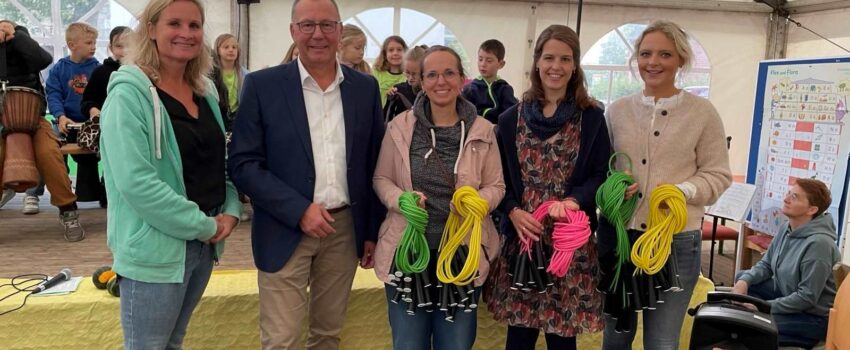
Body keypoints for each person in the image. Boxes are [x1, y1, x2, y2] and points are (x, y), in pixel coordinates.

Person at [227, 0, 385, 348]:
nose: (318, 34)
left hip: (343, 230)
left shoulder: (364, 89)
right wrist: (298, 210)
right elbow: (242, 163)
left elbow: (374, 163)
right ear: (293, 31)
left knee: (327, 336)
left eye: (327, 25)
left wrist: (371, 230)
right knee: (281, 340)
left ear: (340, 31)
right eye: (308, 25)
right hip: (284, 227)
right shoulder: (262, 86)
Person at [99, 0, 242, 348]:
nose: (186, 33)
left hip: (203, 246)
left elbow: (219, 161)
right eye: (174, 23)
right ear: (150, 29)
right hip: (156, 249)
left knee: (173, 342)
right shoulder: (128, 96)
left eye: (195, 26)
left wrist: (231, 210)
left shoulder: (205, 92)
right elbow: (136, 182)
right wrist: (203, 225)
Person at [599, 20, 732, 349]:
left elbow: (718, 174)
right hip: (621, 238)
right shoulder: (615, 111)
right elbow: (600, 169)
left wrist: (683, 191)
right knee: (615, 337)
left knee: (661, 341)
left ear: (681, 60)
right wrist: (614, 187)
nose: (653, 62)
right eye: (645, 54)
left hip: (676, 242)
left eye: (664, 54)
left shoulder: (702, 113)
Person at [484, 24, 610, 350]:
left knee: (562, 341)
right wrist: (512, 211)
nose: (557, 66)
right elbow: (498, 180)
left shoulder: (592, 117)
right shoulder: (511, 118)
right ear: (537, 61)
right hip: (524, 238)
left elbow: (600, 174)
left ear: (575, 65)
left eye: (565, 59)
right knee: (520, 338)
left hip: (570, 246)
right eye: (549, 57)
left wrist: (574, 201)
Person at [373, 45, 505, 349]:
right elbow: (382, 178)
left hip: (462, 254)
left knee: (456, 345)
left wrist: (477, 202)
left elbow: (497, 185)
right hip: (408, 256)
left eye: (449, 73)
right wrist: (400, 200)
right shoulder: (400, 126)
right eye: (431, 74)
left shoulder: (484, 130)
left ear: (461, 78)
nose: (441, 81)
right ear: (420, 80)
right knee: (408, 344)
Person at [0, 19, 85, 241]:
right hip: (1, 123)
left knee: (49, 154)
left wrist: (15, 33)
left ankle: (68, 211)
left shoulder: (22, 43)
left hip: (34, 120)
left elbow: (43, 59)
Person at [733, 178, 839, 349]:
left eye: (795, 197)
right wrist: (744, 281)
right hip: (787, 295)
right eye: (789, 193)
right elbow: (766, 265)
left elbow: (806, 298)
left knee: (753, 326)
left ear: (812, 209)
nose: (786, 199)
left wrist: (763, 308)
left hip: (813, 317)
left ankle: (800, 339)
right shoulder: (786, 227)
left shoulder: (819, 245)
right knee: (743, 279)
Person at [45, 21, 103, 211]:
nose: (93, 46)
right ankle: (63, 193)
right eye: (88, 43)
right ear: (72, 45)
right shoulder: (59, 69)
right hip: (65, 123)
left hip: (90, 123)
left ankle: (98, 192)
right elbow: (53, 94)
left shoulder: (98, 69)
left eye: (94, 42)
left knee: (93, 157)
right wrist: (61, 116)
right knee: (53, 152)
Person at [462, 39, 518, 125]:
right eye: (480, 59)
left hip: (498, 131)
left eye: (489, 61)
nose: (483, 64)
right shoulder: (470, 88)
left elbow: (511, 114)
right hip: (474, 130)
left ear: (501, 64)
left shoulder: (505, 89)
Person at [210, 33, 248, 130]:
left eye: (234, 47)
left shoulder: (246, 74)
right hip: (219, 114)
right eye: (226, 47)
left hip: (237, 116)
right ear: (218, 50)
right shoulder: (212, 74)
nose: (231, 50)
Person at [383, 44, 427, 122]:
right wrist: (390, 99)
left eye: (414, 73)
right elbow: (386, 118)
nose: (410, 78)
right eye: (407, 72)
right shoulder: (398, 90)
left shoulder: (431, 92)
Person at [372, 35, 408, 105]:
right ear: (385, 54)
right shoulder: (376, 72)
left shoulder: (408, 75)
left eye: (399, 50)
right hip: (380, 113)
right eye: (391, 50)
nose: (395, 53)